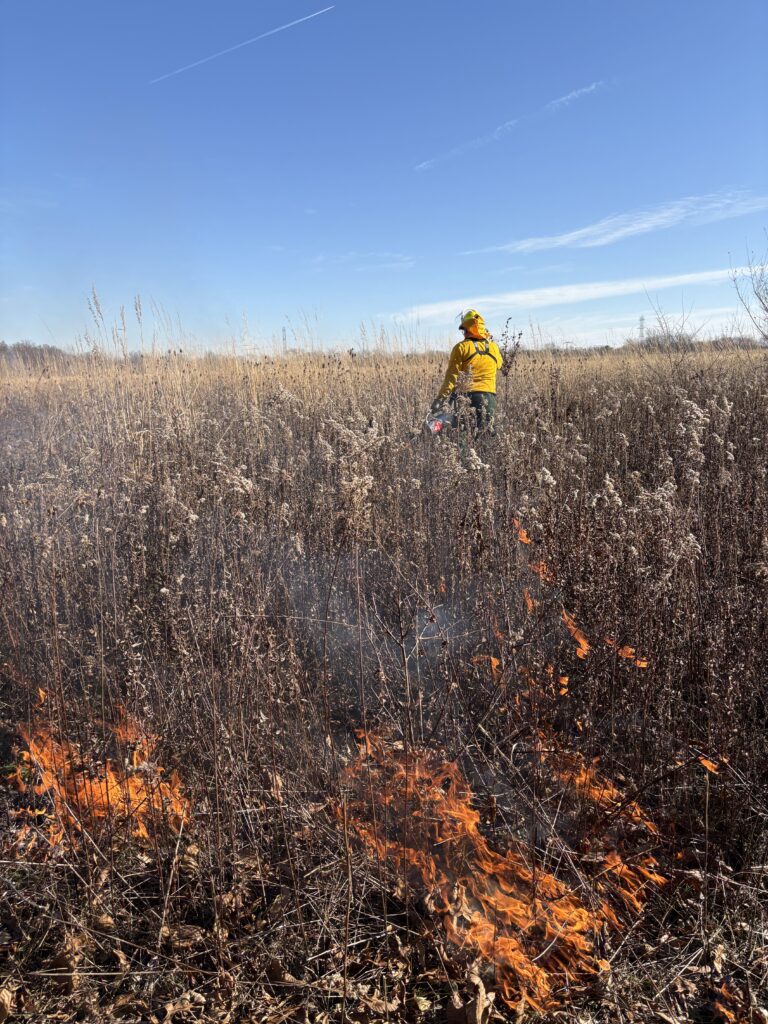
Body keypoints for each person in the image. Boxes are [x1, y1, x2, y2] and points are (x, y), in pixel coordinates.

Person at [431, 309, 503, 432]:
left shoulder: (461, 347)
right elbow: (499, 365)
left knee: (461, 437)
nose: (463, 333)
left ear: (467, 329)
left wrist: (440, 400)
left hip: (466, 398)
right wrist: (488, 341)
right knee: (484, 437)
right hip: (489, 398)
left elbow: (451, 378)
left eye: (463, 330)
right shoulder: (493, 347)